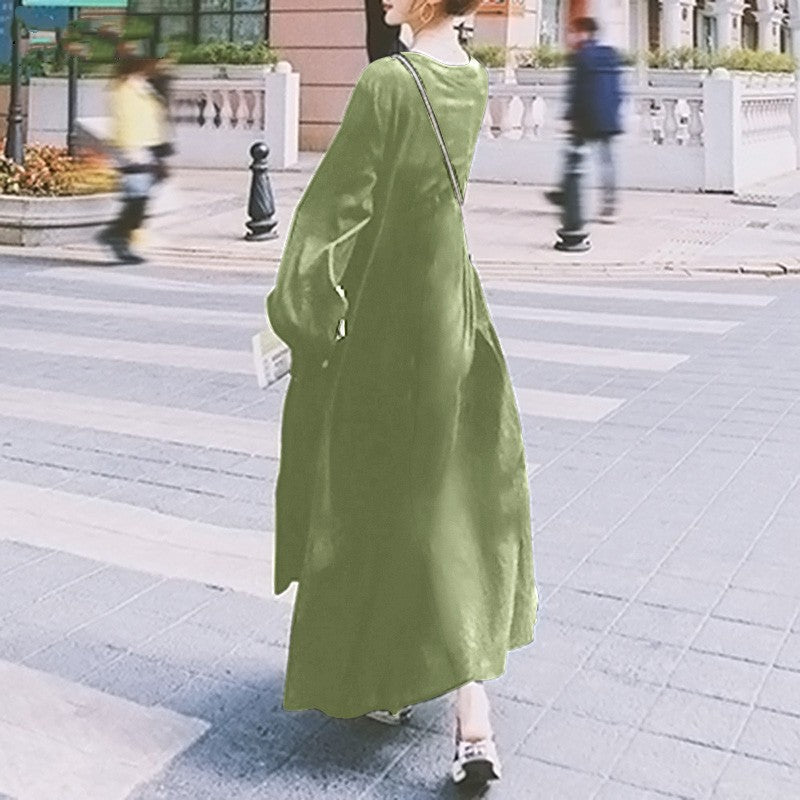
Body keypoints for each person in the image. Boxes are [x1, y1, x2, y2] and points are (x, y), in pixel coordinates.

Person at [264, 0, 538, 788]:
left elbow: (338, 208)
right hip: (451, 308)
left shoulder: (388, 83)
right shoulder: (471, 80)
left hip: (387, 319)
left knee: (374, 494)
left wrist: (302, 308)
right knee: (442, 499)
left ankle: (458, 706)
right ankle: (431, 692)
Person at [546, 16, 623, 248]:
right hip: (608, 115)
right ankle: (609, 206)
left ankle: (565, 195)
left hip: (587, 116)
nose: (569, 36)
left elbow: (576, 91)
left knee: (572, 160)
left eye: (573, 31)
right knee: (606, 160)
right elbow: (618, 89)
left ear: (583, 33)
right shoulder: (610, 55)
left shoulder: (581, 57)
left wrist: (570, 117)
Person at [96, 51, 169, 265]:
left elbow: (152, 118)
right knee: (137, 198)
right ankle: (116, 236)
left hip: (145, 148)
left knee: (138, 197)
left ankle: (116, 235)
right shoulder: (124, 91)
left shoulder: (141, 87)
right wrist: (132, 153)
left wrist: (159, 149)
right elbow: (126, 122)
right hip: (133, 150)